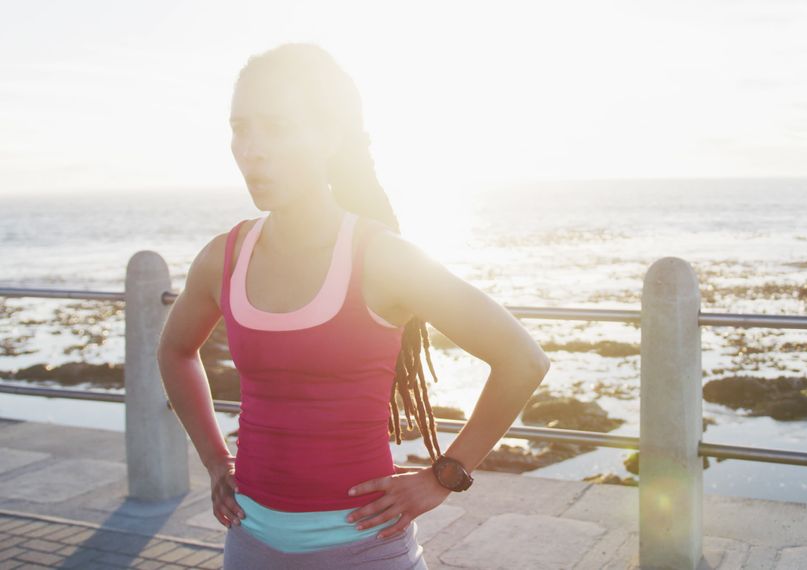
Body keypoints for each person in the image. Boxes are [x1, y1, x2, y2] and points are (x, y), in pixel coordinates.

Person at [157, 42, 551, 569]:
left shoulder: (380, 257)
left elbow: (522, 359)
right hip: (249, 547)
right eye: (241, 127)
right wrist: (213, 459)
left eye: (276, 128)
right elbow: (176, 350)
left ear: (331, 137)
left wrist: (445, 474)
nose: (251, 149)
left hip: (366, 554)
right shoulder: (223, 258)